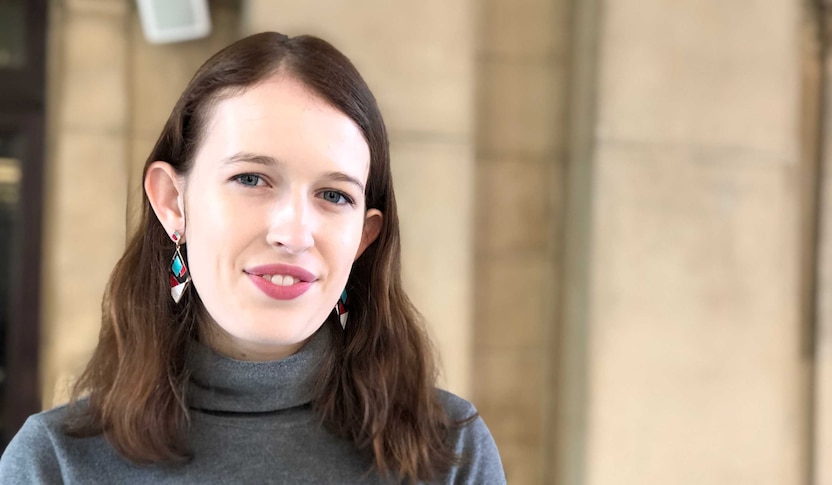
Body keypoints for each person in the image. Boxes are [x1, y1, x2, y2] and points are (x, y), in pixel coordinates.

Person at [0, 32, 506, 484]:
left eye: (334, 195)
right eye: (251, 179)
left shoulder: (449, 454)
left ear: (363, 238)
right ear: (173, 202)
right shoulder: (55, 464)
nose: (293, 233)